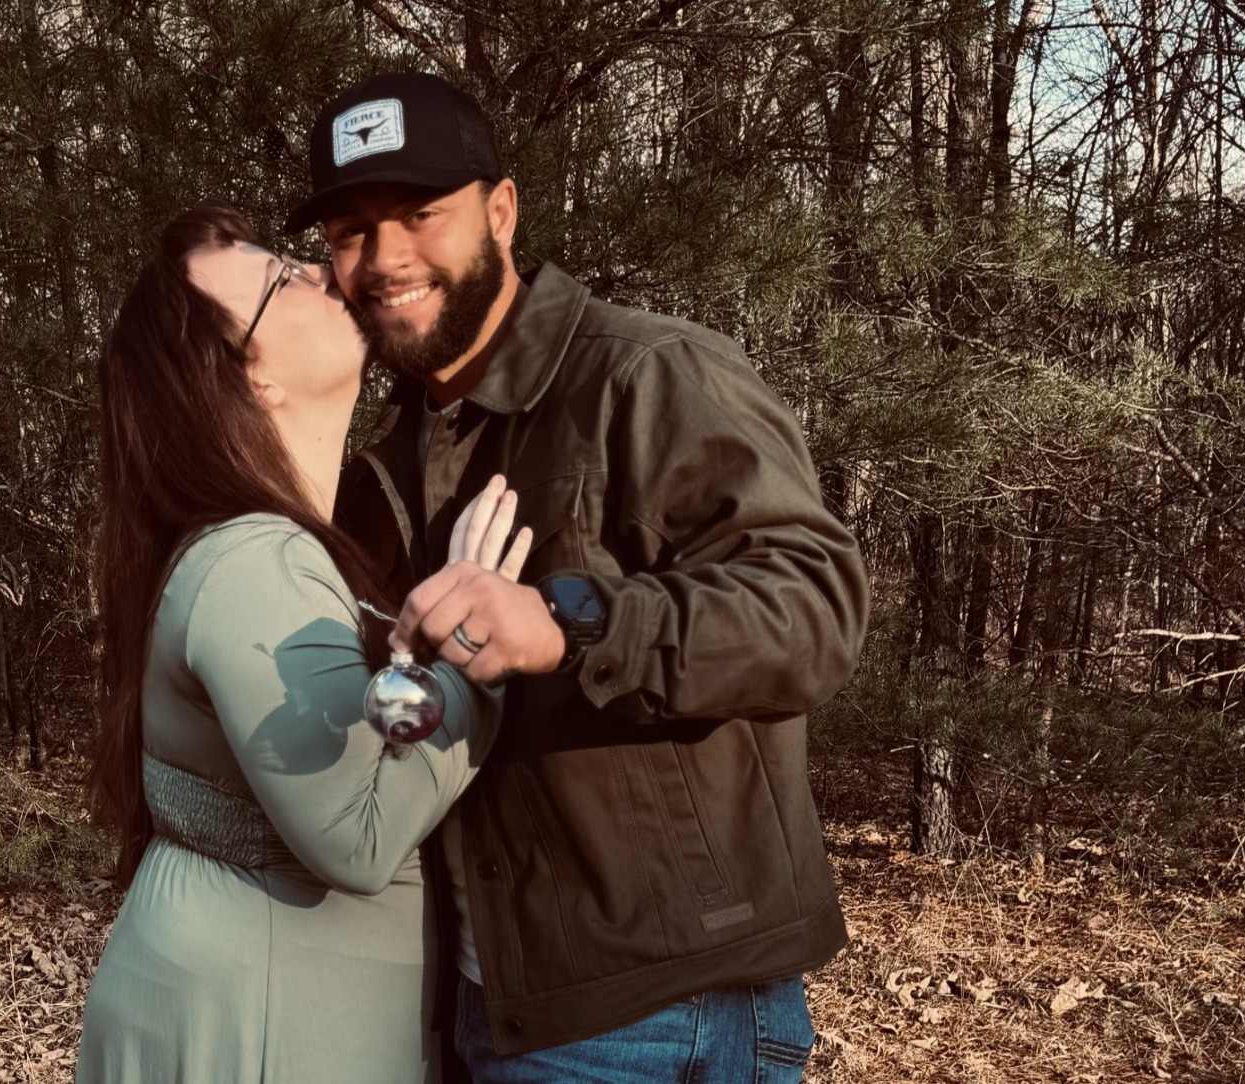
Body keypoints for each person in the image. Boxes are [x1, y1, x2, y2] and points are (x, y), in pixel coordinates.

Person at [291, 72, 872, 1082]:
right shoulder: (383, 459)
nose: (384, 258)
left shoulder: (647, 374)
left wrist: (572, 621)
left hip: (655, 1007)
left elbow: (816, 611)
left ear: (501, 211)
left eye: (420, 214)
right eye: (351, 231)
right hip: (484, 1001)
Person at [75, 203, 535, 1083]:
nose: (326, 274)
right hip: (263, 1027)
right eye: (283, 279)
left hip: (256, 1007)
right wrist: (478, 646)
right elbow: (356, 832)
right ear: (249, 382)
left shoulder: (271, 547)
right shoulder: (257, 557)